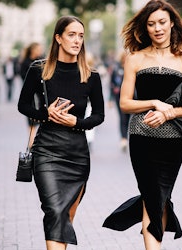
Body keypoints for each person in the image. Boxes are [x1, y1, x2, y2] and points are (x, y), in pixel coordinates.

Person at [102, 1, 182, 249]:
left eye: (162, 22)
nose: (157, 28)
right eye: (151, 23)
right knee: (151, 197)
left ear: (172, 24)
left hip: (173, 142)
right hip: (141, 138)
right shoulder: (134, 58)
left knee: (162, 197)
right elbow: (124, 103)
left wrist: (168, 115)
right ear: (145, 27)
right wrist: (154, 103)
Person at [18, 16, 104, 250]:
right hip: (46, 150)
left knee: (66, 216)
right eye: (71, 35)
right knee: (55, 210)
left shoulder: (91, 75)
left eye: (81, 36)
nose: (77, 40)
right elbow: (23, 106)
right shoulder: (39, 70)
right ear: (58, 37)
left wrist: (76, 121)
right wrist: (47, 114)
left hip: (77, 154)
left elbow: (99, 116)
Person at [19, 42, 44, 147]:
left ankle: (35, 142)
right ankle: (31, 143)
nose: (40, 51)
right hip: (31, 96)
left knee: (41, 119)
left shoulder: (41, 61)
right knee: (31, 121)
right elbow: (23, 77)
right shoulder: (26, 63)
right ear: (32, 50)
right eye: (38, 49)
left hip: (40, 95)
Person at [110, 51, 130, 151]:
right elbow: (112, 83)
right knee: (122, 118)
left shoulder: (133, 67)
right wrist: (110, 99)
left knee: (131, 118)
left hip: (132, 98)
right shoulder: (116, 69)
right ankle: (123, 139)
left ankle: (129, 137)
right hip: (119, 97)